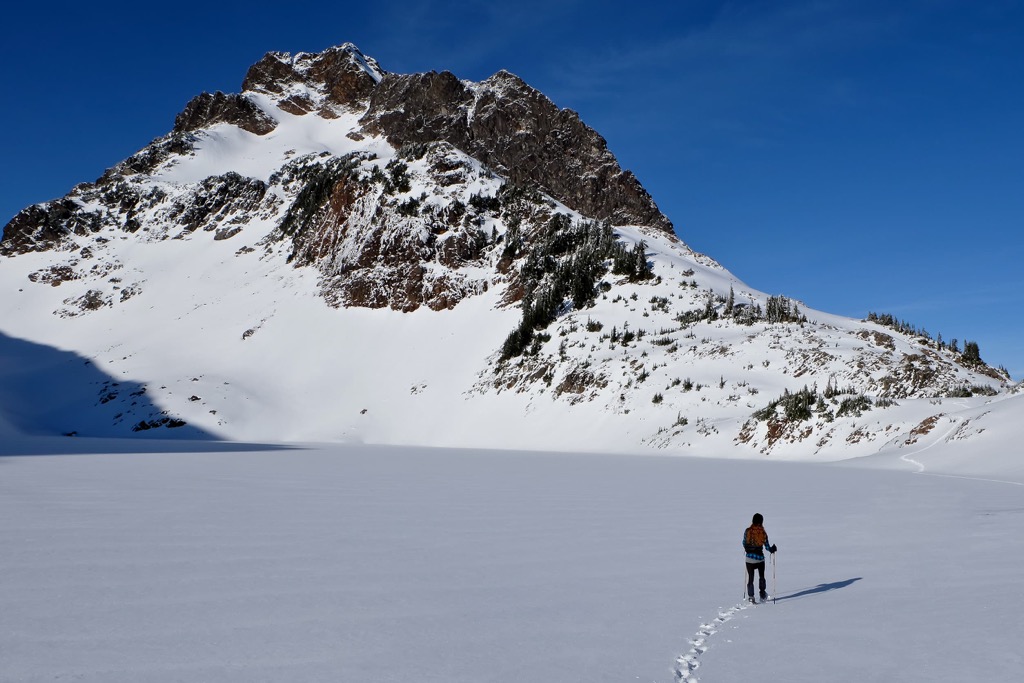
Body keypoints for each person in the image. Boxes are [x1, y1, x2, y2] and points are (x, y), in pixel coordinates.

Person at [743, 513, 777, 603]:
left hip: (749, 560)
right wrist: (773, 549)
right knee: (761, 577)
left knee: (751, 578)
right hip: (760, 559)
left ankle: (751, 597)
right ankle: (762, 594)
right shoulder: (763, 533)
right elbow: (767, 547)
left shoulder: (747, 531)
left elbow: (743, 543)